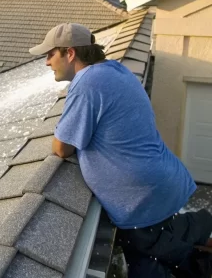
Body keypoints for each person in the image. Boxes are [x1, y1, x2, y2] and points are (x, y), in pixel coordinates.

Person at [29, 23, 212, 278]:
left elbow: (61, 148)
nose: (47, 62)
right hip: (159, 185)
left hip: (143, 199)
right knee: (152, 261)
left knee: (159, 255)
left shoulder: (87, 82)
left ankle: (203, 240)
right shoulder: (113, 69)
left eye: (50, 54)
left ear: (70, 53)